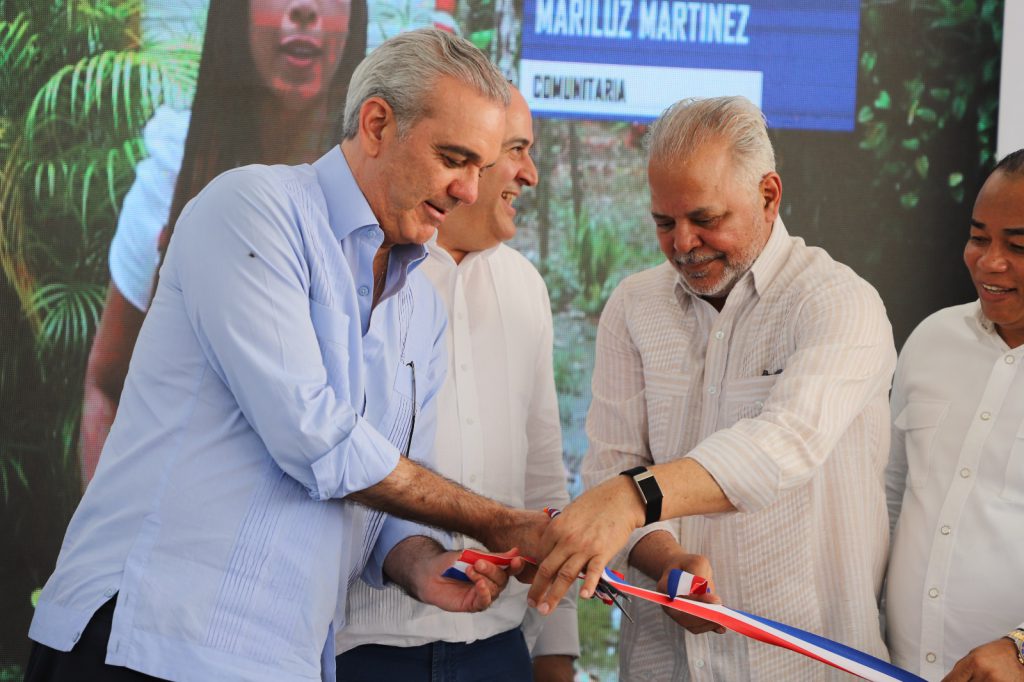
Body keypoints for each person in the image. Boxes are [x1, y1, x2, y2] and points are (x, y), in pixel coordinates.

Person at [27, 29, 550, 682]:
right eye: (454, 158)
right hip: (142, 643)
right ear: (378, 123)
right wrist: (499, 521)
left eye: (482, 165)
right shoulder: (250, 208)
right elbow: (317, 440)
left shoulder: (422, 309)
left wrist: (419, 562)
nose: (470, 190)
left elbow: (377, 492)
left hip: (283, 662)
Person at [526, 96, 898, 680]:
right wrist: (667, 557)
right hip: (662, 664)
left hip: (807, 668)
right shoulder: (634, 306)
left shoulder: (838, 302)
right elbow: (613, 465)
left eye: (705, 219)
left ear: (769, 196)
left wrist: (632, 497)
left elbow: (783, 445)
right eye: (664, 222)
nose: (682, 243)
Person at [334, 86, 579, 682]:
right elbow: (326, 447)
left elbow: (543, 470)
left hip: (497, 648)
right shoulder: (358, 269)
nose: (531, 174)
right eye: (516, 149)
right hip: (360, 646)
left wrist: (556, 644)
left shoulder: (526, 286)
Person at [79, 0, 368, 488]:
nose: (303, 9)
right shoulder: (174, 169)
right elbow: (106, 386)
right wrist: (105, 537)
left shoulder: (380, 192)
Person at [885, 149, 1024, 682]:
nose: (989, 261)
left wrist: (1020, 650)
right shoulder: (930, 339)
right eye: (978, 237)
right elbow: (891, 496)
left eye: (1017, 245)